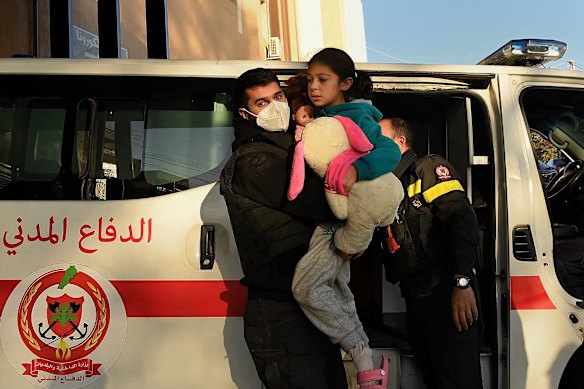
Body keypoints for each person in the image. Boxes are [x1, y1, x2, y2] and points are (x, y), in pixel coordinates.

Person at [219, 68, 348, 389]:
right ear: (246, 113)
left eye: (278, 97)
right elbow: (323, 204)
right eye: (262, 102)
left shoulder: (285, 148)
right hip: (283, 313)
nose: (276, 106)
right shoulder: (255, 160)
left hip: (309, 306)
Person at [290, 48, 403, 389]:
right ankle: (368, 362)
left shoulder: (358, 116)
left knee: (305, 287)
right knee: (336, 287)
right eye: (310, 80)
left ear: (346, 83)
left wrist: (357, 169)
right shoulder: (332, 113)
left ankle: (359, 350)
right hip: (334, 215)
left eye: (323, 80)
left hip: (340, 221)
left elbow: (389, 151)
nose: (314, 86)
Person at [378, 117, 483, 389]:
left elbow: (462, 221)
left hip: (447, 294)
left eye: (378, 139)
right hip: (417, 299)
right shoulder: (390, 185)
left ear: (399, 142)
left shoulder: (427, 168)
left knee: (458, 381)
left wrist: (461, 283)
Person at [285, 72, 315, 142]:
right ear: (293, 116)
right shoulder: (299, 131)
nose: (308, 119)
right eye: (304, 116)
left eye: (311, 116)